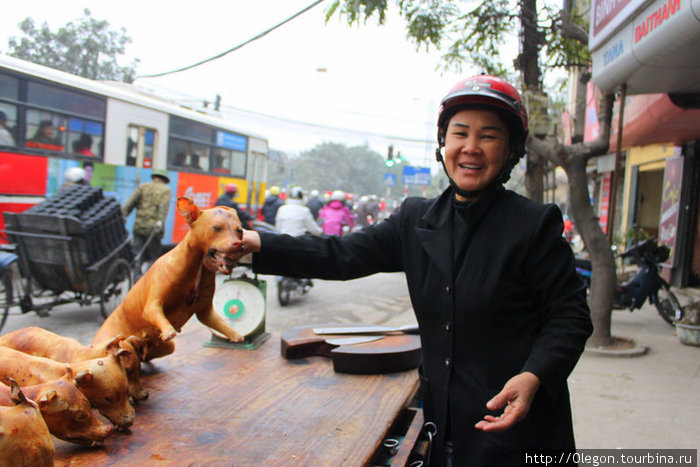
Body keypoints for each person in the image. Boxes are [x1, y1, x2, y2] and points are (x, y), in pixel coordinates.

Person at [234, 75, 592, 466]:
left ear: (510, 151)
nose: (471, 147)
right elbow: (339, 254)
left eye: (488, 136)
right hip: (443, 427)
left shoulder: (533, 225)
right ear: (444, 145)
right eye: (460, 134)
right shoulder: (415, 220)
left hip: (519, 436)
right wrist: (258, 244)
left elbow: (570, 316)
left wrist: (535, 375)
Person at [122, 169, 172, 266]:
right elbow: (163, 209)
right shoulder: (165, 190)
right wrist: (160, 222)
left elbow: (130, 204)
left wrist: (123, 215)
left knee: (137, 254)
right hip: (153, 229)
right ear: (165, 180)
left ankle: (136, 276)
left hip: (139, 226)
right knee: (154, 256)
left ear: (154, 177)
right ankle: (150, 278)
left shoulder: (143, 187)